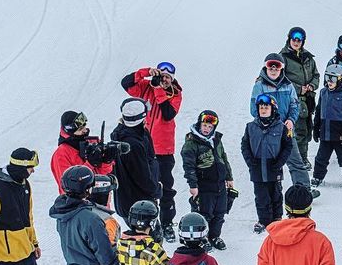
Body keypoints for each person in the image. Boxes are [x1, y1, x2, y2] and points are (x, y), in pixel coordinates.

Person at [122, 62, 183, 241]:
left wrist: (158, 90)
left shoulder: (175, 93)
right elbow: (126, 83)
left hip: (163, 150)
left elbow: (168, 113)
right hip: (143, 146)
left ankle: (167, 223)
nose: (164, 79)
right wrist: (146, 72)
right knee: (144, 185)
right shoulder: (145, 87)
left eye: (168, 77)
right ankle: (144, 220)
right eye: (162, 76)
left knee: (165, 188)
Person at [250, 53, 312, 191]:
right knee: (271, 164)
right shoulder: (259, 86)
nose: (273, 69)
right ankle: (272, 193)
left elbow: (295, 105)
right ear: (265, 67)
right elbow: (254, 110)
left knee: (296, 161)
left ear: (281, 68)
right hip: (268, 133)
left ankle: (304, 191)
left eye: (277, 66)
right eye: (270, 66)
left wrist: (291, 120)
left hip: (286, 131)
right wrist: (271, 123)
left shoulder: (288, 85)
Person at [181, 109, 234, 251]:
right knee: (204, 213)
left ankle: (214, 236)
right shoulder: (191, 143)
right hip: (204, 185)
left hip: (220, 184)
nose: (206, 129)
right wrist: (193, 185)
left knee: (220, 212)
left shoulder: (216, 140)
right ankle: (202, 238)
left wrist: (229, 177)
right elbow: (188, 166)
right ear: (199, 124)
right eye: (204, 125)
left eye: (210, 127)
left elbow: (224, 158)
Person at [241, 93, 293, 234]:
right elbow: (244, 145)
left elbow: (288, 146)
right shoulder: (250, 127)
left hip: (273, 166)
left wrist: (280, 162)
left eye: (266, 107)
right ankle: (264, 220)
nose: (263, 110)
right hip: (257, 166)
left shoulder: (281, 127)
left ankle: (277, 218)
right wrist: (250, 161)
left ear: (273, 109)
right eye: (261, 108)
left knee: (276, 194)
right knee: (261, 196)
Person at [110, 98, 161, 225]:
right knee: (148, 237)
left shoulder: (137, 134)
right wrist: (156, 190)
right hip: (139, 206)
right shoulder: (133, 144)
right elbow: (142, 177)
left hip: (131, 202)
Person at [312, 64, 342, 189]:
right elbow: (318, 111)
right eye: (327, 77)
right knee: (321, 157)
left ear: (340, 79)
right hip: (325, 132)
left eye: (332, 78)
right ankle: (317, 177)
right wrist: (316, 128)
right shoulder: (323, 92)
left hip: (340, 133)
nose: (329, 81)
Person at [280, 27, 320, 169]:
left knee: (307, 130)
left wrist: (312, 86)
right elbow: (280, 79)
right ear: (289, 39)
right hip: (293, 100)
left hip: (308, 100)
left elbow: (316, 75)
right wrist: (298, 89)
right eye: (294, 39)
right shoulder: (283, 58)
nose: (296, 42)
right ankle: (300, 160)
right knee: (299, 131)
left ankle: (299, 158)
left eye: (299, 40)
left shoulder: (308, 57)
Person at [50, 111, 115, 193]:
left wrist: (107, 161)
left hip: (100, 196)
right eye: (80, 129)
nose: (85, 130)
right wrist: (89, 165)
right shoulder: (61, 154)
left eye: (84, 126)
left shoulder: (91, 143)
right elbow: (68, 186)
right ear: (70, 131)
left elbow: (103, 176)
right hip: (79, 200)